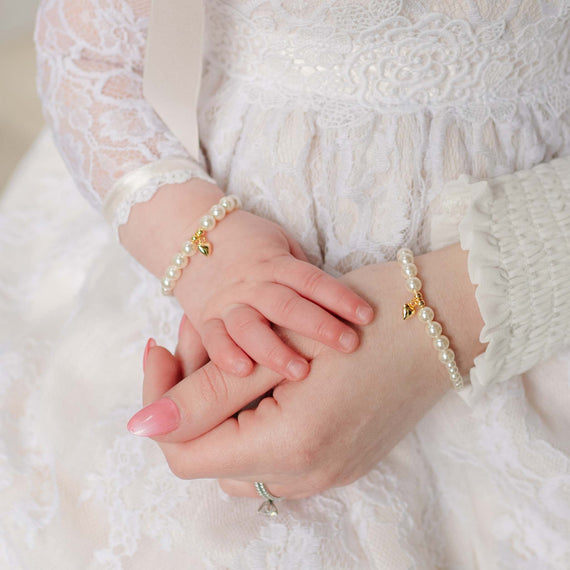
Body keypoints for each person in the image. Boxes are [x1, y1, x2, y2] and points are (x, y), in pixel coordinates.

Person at [0, 0, 568, 567]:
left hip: (538, 297)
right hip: (205, 258)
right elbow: (85, 55)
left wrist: (454, 314)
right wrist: (203, 251)